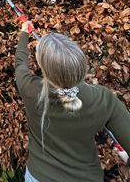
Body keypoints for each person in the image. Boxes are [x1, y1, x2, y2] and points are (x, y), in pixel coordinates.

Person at [15, 21, 130, 182]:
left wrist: (24, 33)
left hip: (38, 177)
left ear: (43, 67)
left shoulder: (30, 90)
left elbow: (20, 65)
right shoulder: (103, 98)